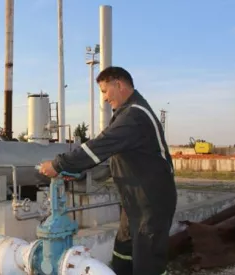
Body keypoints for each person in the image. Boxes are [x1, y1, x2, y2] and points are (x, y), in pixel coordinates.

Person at [38, 66, 177, 275]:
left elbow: (100, 146)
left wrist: (59, 164)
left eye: (104, 91)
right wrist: (80, 171)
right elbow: (113, 156)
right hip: (135, 202)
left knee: (148, 264)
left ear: (118, 85)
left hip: (151, 204)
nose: (103, 98)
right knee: (123, 254)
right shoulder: (129, 112)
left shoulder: (134, 115)